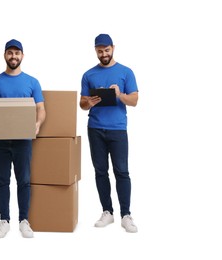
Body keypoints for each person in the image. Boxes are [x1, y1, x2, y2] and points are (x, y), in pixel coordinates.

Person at [0, 39, 46, 238]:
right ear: (5, 55)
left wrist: (37, 124)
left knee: (24, 180)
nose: (13, 56)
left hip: (23, 139)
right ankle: (4, 220)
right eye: (10, 53)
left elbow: (41, 109)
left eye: (17, 53)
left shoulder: (32, 82)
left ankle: (24, 220)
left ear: (22, 56)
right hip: (0, 140)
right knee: (2, 180)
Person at [79, 34, 139, 233]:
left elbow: (134, 100)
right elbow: (82, 105)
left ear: (113, 48)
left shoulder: (126, 72)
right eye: (99, 51)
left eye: (106, 50)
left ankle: (126, 215)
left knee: (122, 171)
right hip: (95, 128)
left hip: (118, 129)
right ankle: (107, 211)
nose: (103, 54)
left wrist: (119, 95)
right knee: (100, 171)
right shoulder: (88, 75)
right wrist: (89, 102)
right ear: (95, 50)